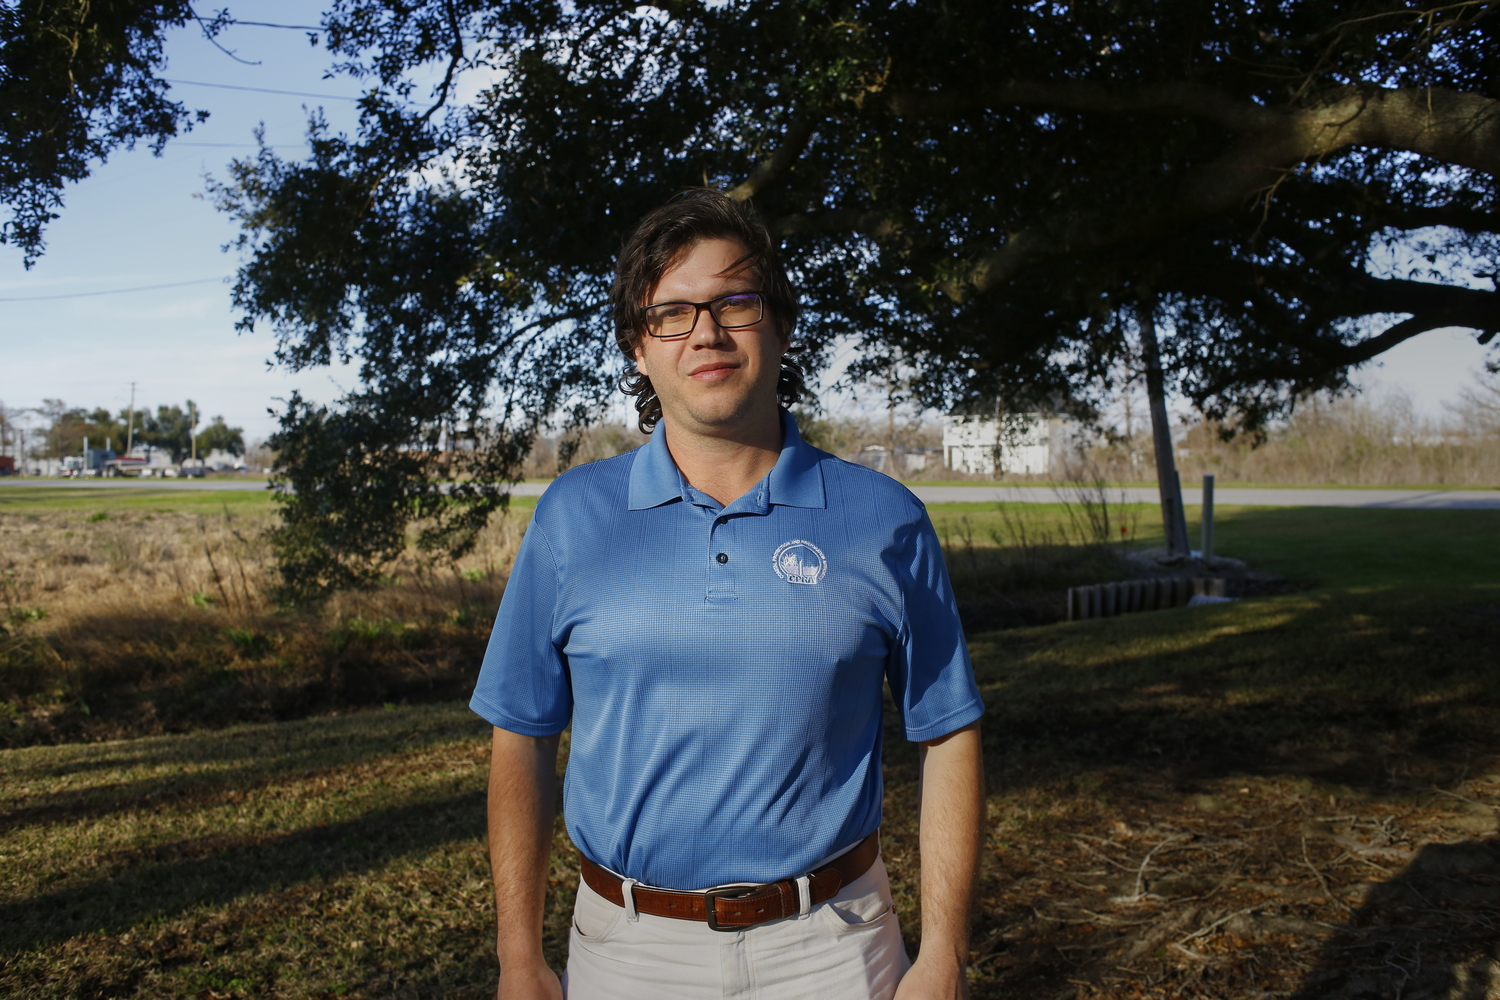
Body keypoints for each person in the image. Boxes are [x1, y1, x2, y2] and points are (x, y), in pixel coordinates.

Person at [470, 189, 985, 1000]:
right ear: (639, 349)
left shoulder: (885, 519)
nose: (705, 332)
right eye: (671, 313)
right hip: (626, 951)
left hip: (836, 949)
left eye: (733, 302)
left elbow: (947, 735)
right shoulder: (573, 518)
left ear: (780, 322)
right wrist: (518, 958)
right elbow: (521, 737)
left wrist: (945, 957)